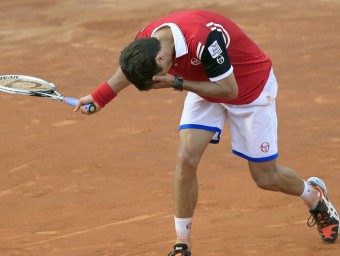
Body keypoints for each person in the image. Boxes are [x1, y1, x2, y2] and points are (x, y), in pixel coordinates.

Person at [74, 10, 339, 255]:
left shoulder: (204, 39)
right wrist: (101, 96)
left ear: (162, 58)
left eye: (157, 77)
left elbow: (229, 90)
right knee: (185, 158)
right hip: (203, 86)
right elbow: (129, 70)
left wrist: (177, 82)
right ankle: (182, 244)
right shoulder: (146, 41)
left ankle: (314, 197)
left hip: (248, 89)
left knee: (265, 178)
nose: (157, 82)